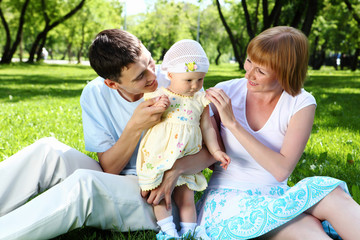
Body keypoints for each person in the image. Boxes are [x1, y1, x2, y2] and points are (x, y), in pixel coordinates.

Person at [0, 29, 217, 239]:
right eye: (140, 76)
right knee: (47, 151)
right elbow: (109, 169)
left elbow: (212, 152)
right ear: (112, 84)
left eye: (149, 61)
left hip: (163, 197)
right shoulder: (95, 93)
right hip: (117, 177)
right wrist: (135, 126)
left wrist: (174, 172)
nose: (153, 75)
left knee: (85, 185)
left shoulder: (181, 79)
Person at [196, 26, 360, 239]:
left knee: (332, 193)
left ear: (285, 73)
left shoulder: (301, 102)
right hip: (228, 201)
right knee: (308, 230)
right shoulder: (226, 92)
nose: (248, 74)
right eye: (249, 61)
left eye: (260, 71)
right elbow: (205, 155)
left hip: (277, 197)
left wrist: (233, 124)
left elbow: (281, 170)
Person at [136, 39, 230, 238]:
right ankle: (169, 232)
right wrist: (157, 108)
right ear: (170, 75)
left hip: (187, 156)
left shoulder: (200, 100)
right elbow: (145, 120)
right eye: (188, 80)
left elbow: (207, 128)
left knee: (187, 196)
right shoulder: (160, 95)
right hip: (160, 156)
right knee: (161, 196)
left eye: (200, 80)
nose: (195, 86)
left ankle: (189, 232)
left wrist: (216, 151)